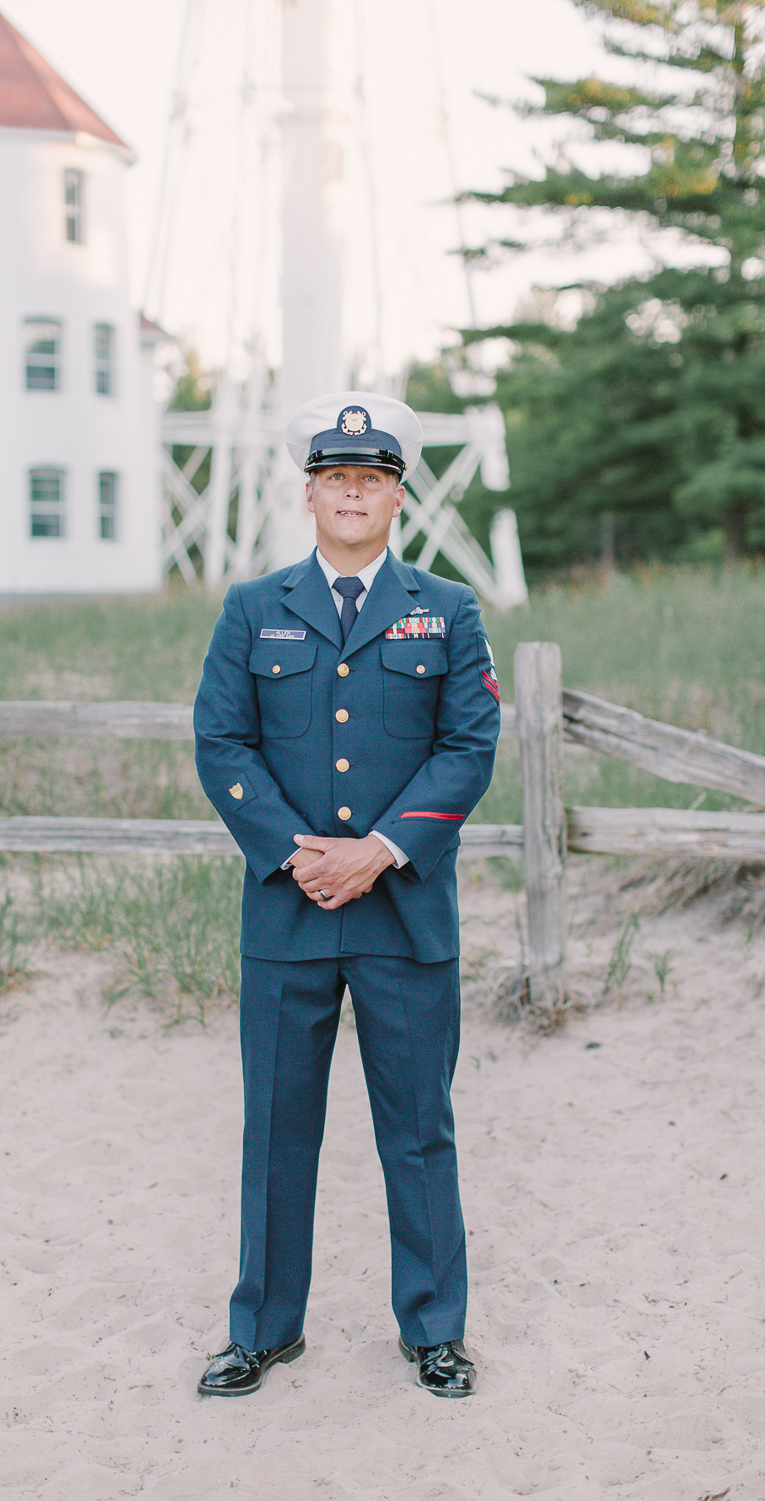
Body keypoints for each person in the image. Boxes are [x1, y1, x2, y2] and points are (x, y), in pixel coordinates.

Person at [191, 392, 501, 1399]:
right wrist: (296, 852)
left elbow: (468, 749)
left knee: (417, 1126)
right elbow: (221, 741)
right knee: (276, 1128)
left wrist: (375, 850)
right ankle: (266, 1327)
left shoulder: (448, 611)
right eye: (335, 478)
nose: (352, 494)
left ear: (397, 495)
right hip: (287, 913)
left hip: (403, 912)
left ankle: (434, 1329)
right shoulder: (251, 608)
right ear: (310, 493)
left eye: (371, 478)